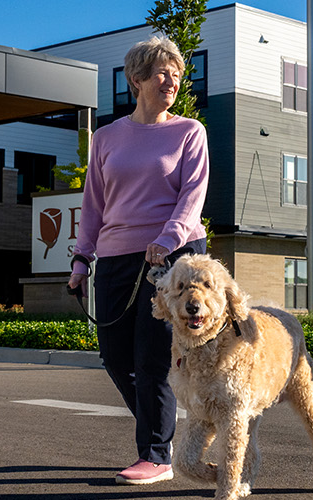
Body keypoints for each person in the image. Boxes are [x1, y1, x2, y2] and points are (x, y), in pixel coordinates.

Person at [67, 36, 209, 486]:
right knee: (113, 357)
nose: (171, 81)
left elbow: (192, 195)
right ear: (138, 78)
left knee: (150, 358)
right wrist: (81, 258)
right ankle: (160, 430)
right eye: (162, 73)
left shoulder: (189, 132)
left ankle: (155, 453)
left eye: (176, 74)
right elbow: (93, 202)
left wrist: (167, 240)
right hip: (114, 255)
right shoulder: (106, 137)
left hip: (173, 259)